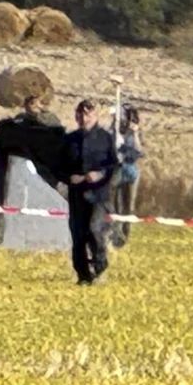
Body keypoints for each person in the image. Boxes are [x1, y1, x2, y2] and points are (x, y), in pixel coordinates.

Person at [60, 99, 118, 285]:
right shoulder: (70, 140)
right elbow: (60, 166)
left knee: (95, 230)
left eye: (88, 114)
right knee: (78, 235)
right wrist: (69, 177)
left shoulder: (105, 138)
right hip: (77, 192)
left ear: (95, 116)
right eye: (81, 114)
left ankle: (100, 267)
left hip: (99, 194)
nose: (84, 118)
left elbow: (114, 166)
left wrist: (100, 174)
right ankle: (83, 275)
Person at [112, 104, 144, 247]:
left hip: (130, 171)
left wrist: (135, 133)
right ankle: (116, 235)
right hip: (117, 169)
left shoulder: (134, 133)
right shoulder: (113, 131)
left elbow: (139, 151)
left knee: (128, 205)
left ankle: (125, 235)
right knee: (115, 204)